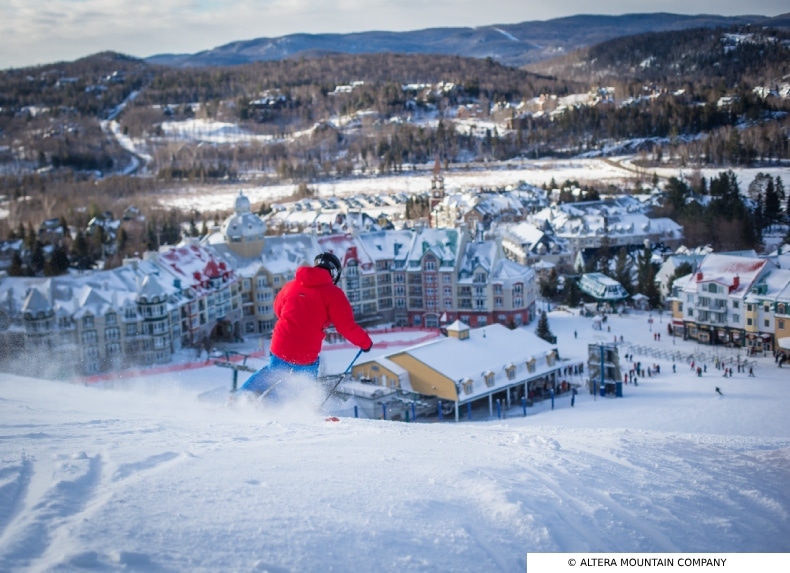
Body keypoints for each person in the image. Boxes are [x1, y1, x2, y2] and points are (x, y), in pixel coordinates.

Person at [240, 252, 373, 396]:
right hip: (306, 353)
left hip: (280, 345)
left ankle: (240, 397)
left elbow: (278, 310)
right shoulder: (334, 294)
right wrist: (365, 343)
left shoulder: (290, 286)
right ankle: (290, 411)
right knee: (303, 388)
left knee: (272, 373)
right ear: (334, 274)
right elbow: (346, 326)